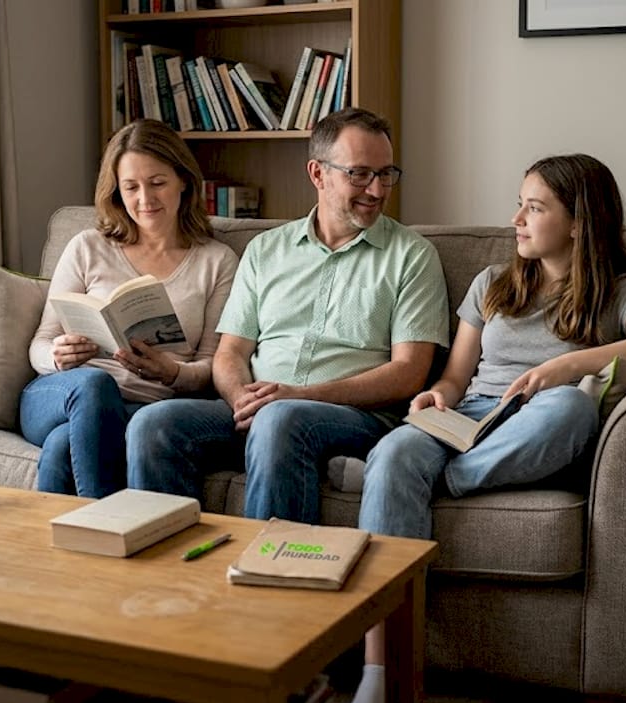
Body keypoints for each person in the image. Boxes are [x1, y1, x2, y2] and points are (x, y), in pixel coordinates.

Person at [346, 153, 626, 703]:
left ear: (578, 222)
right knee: (397, 452)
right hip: (469, 416)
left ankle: (437, 478)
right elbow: (456, 377)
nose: (517, 220)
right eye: (519, 205)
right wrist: (439, 396)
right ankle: (381, 672)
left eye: (534, 208)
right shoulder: (491, 283)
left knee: (571, 408)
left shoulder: (618, 291)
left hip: (538, 423)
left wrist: (569, 365)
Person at [125, 108, 449, 524]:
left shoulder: (412, 257)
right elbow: (231, 352)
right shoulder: (265, 250)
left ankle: (271, 565)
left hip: (354, 418)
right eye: (359, 174)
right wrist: (241, 399)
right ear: (318, 173)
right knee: (153, 424)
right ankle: (169, 565)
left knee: (281, 419)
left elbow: (408, 373)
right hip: (261, 410)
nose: (376, 189)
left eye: (385, 174)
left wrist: (299, 396)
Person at [21, 119, 239, 499]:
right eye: (131, 187)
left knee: (59, 448)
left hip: (142, 405)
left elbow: (211, 366)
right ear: (117, 192)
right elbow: (40, 342)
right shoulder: (87, 246)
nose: (145, 199)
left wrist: (172, 372)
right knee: (94, 384)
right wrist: (56, 356)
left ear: (183, 180)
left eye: (157, 183)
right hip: (62, 393)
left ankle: (73, 537)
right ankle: (112, 522)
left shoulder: (216, 262)